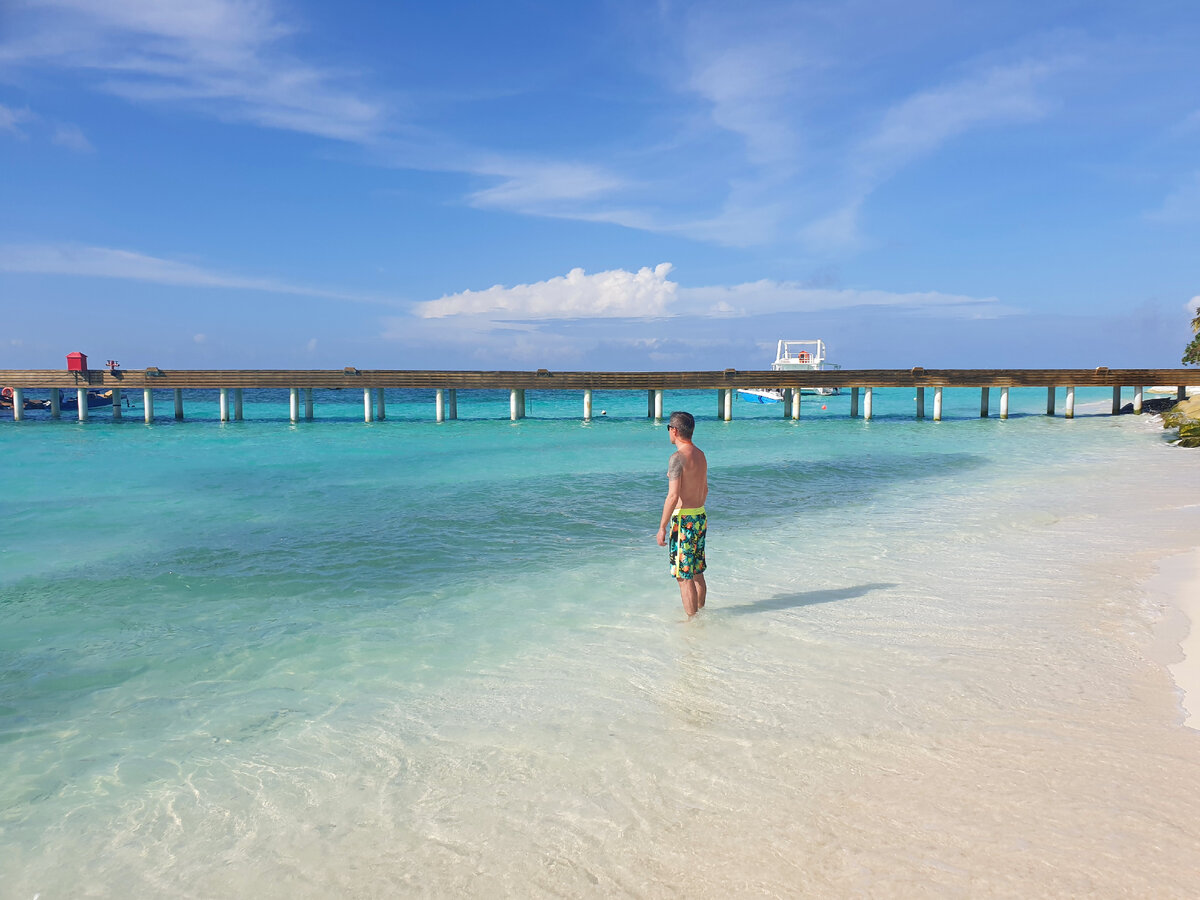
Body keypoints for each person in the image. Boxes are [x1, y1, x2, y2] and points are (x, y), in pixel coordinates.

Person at [655, 410, 708, 617]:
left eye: (668, 428)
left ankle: (692, 626)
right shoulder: (701, 455)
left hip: (683, 521)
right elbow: (705, 489)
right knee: (697, 572)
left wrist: (662, 527)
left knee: (683, 577)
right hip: (700, 516)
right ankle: (701, 616)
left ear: (674, 430)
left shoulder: (677, 458)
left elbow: (672, 496)